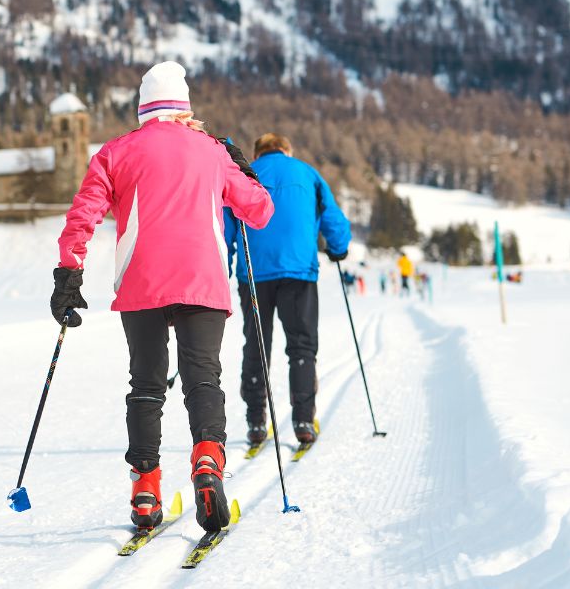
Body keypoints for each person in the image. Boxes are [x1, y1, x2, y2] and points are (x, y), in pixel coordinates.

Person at [50, 61, 273, 535]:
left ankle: (146, 489)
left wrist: (69, 273)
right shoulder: (212, 151)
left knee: (147, 386)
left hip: (141, 282)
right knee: (202, 380)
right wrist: (241, 167)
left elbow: (82, 216)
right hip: (202, 281)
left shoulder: (114, 153)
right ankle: (208, 464)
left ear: (143, 108)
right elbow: (259, 211)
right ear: (185, 107)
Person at [222, 134, 351, 448]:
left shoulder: (244, 174)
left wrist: (223, 264)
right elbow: (333, 217)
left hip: (254, 274)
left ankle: (255, 422)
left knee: (256, 345)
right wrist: (338, 248)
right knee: (302, 346)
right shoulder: (307, 173)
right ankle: (304, 420)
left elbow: (225, 224)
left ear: (257, 152)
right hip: (298, 272)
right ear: (287, 149)